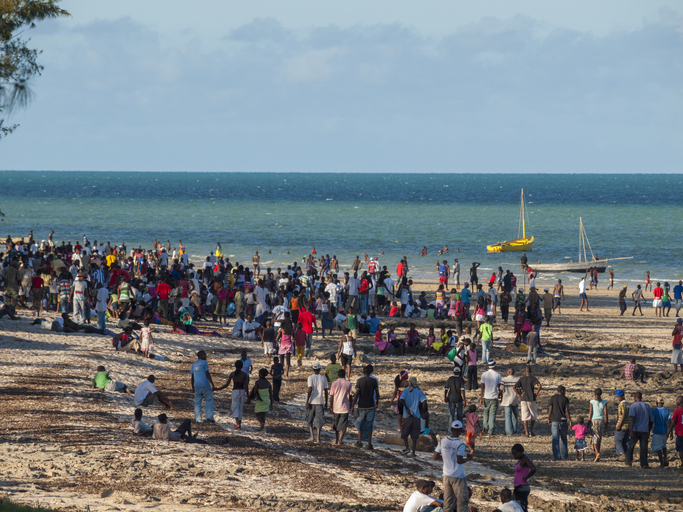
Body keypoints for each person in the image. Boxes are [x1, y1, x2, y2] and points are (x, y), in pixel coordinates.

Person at [434, 420, 473, 512]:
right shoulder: (460, 444)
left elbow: (435, 456)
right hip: (458, 476)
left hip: (446, 476)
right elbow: (459, 460)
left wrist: (447, 458)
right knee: (462, 503)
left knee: (447, 503)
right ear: (460, 431)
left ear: (451, 429)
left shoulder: (442, 441)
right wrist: (468, 459)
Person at [215, 360, 249, 430]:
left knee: (235, 407)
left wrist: (217, 389)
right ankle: (240, 423)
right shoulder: (245, 375)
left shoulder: (232, 374)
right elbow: (246, 386)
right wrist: (248, 397)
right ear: (242, 366)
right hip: (242, 391)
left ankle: (237, 423)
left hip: (235, 391)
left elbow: (226, 385)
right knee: (240, 408)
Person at [399, 377, 428, 457]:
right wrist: (422, 410)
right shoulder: (419, 391)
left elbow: (402, 399)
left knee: (405, 433)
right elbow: (424, 401)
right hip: (416, 416)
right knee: (415, 435)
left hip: (407, 416)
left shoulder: (405, 391)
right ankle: (413, 452)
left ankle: (407, 447)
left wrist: (407, 408)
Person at [355, 364, 379, 450]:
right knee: (369, 424)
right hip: (371, 405)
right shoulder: (374, 381)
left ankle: (359, 441)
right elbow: (377, 393)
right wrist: (377, 403)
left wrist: (353, 404)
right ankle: (369, 443)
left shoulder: (359, 380)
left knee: (360, 423)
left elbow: (357, 394)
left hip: (361, 405)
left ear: (363, 372)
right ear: (371, 372)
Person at [625, 391, 652, 468]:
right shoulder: (647, 406)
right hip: (644, 430)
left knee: (631, 446)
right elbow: (651, 420)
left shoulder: (633, 406)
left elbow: (632, 419)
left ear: (635, 398)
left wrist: (631, 431)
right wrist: (649, 430)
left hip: (635, 429)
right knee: (644, 447)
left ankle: (628, 462)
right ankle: (644, 464)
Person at [514, 366, 541, 437]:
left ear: (524, 372)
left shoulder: (522, 379)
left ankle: (526, 433)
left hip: (523, 399)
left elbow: (514, 387)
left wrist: (519, 394)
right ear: (530, 371)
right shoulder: (533, 378)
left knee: (525, 416)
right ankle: (531, 431)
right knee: (533, 415)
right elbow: (539, 385)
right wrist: (536, 393)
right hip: (531, 398)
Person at [190, 350, 216, 423]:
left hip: (197, 386)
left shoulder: (194, 364)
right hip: (205, 385)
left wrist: (192, 387)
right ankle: (209, 416)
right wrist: (212, 384)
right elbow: (207, 374)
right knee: (209, 400)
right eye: (204, 355)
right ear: (201, 356)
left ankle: (198, 419)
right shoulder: (204, 363)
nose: (206, 356)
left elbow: (192, 377)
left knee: (197, 403)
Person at [305, 362, 328, 443]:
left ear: (313, 369)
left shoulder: (310, 378)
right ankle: (318, 438)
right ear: (319, 369)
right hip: (320, 402)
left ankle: (312, 436)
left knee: (309, 419)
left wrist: (307, 401)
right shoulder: (323, 378)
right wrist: (326, 402)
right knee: (319, 420)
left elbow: (309, 389)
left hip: (312, 401)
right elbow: (326, 391)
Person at [547, 385, 572, 460]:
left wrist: (549, 418)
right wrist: (570, 420)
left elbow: (550, 409)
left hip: (554, 420)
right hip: (563, 420)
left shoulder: (553, 398)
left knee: (555, 438)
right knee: (563, 438)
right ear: (562, 391)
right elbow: (567, 410)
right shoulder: (565, 399)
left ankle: (556, 456)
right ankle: (564, 455)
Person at [330, 368, 353, 445]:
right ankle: (340, 439)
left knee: (336, 424)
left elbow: (331, 396)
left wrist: (331, 406)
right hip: (344, 407)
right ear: (345, 375)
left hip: (336, 407)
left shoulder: (334, 383)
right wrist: (351, 406)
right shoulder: (348, 383)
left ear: (338, 375)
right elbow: (350, 396)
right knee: (343, 425)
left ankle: (336, 439)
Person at [479, 360, 502, 436]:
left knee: (485, 412)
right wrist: (500, 396)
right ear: (494, 366)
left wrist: (481, 398)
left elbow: (482, 387)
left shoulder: (484, 374)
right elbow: (500, 387)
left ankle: (485, 427)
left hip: (486, 396)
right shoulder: (498, 375)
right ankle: (491, 430)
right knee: (492, 414)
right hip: (494, 396)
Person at [511, 444, 535, 512]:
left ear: (521, 452)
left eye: (515, 454)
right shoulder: (520, 459)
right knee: (517, 506)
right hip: (518, 486)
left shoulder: (525, 459)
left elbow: (533, 468)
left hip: (522, 487)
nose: (514, 456)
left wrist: (526, 477)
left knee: (522, 507)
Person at [587, 388, 608, 462]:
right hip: (601, 421)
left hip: (594, 421)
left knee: (594, 437)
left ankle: (597, 452)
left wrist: (588, 424)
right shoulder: (604, 402)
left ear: (594, 394)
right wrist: (607, 422)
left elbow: (590, 413)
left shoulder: (592, 402)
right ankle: (597, 455)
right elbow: (605, 413)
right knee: (599, 438)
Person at [651, 398, 671, 467]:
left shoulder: (654, 411)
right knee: (664, 445)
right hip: (665, 431)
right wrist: (670, 431)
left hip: (657, 431)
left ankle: (661, 463)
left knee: (658, 448)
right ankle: (665, 458)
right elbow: (669, 422)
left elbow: (651, 422)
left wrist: (648, 431)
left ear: (656, 403)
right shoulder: (667, 411)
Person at [666, 395, 683, 471]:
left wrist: (669, 431)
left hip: (679, 433)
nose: (676, 401)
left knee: (680, 449)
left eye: (677, 400)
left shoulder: (677, 411)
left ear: (680, 402)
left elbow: (673, 422)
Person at [501, 368, 519, 436]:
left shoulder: (504, 380)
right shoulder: (517, 380)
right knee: (515, 415)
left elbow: (501, 389)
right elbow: (519, 389)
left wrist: (500, 397)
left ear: (508, 372)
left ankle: (509, 431)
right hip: (514, 399)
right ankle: (514, 429)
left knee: (508, 415)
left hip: (506, 399)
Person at [614, 389, 630, 460]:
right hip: (628, 425)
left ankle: (622, 454)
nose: (617, 398)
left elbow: (623, 414)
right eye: (617, 396)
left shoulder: (622, 404)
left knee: (617, 440)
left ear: (623, 396)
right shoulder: (628, 404)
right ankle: (628, 455)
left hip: (623, 425)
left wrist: (619, 425)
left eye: (619, 396)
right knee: (626, 441)